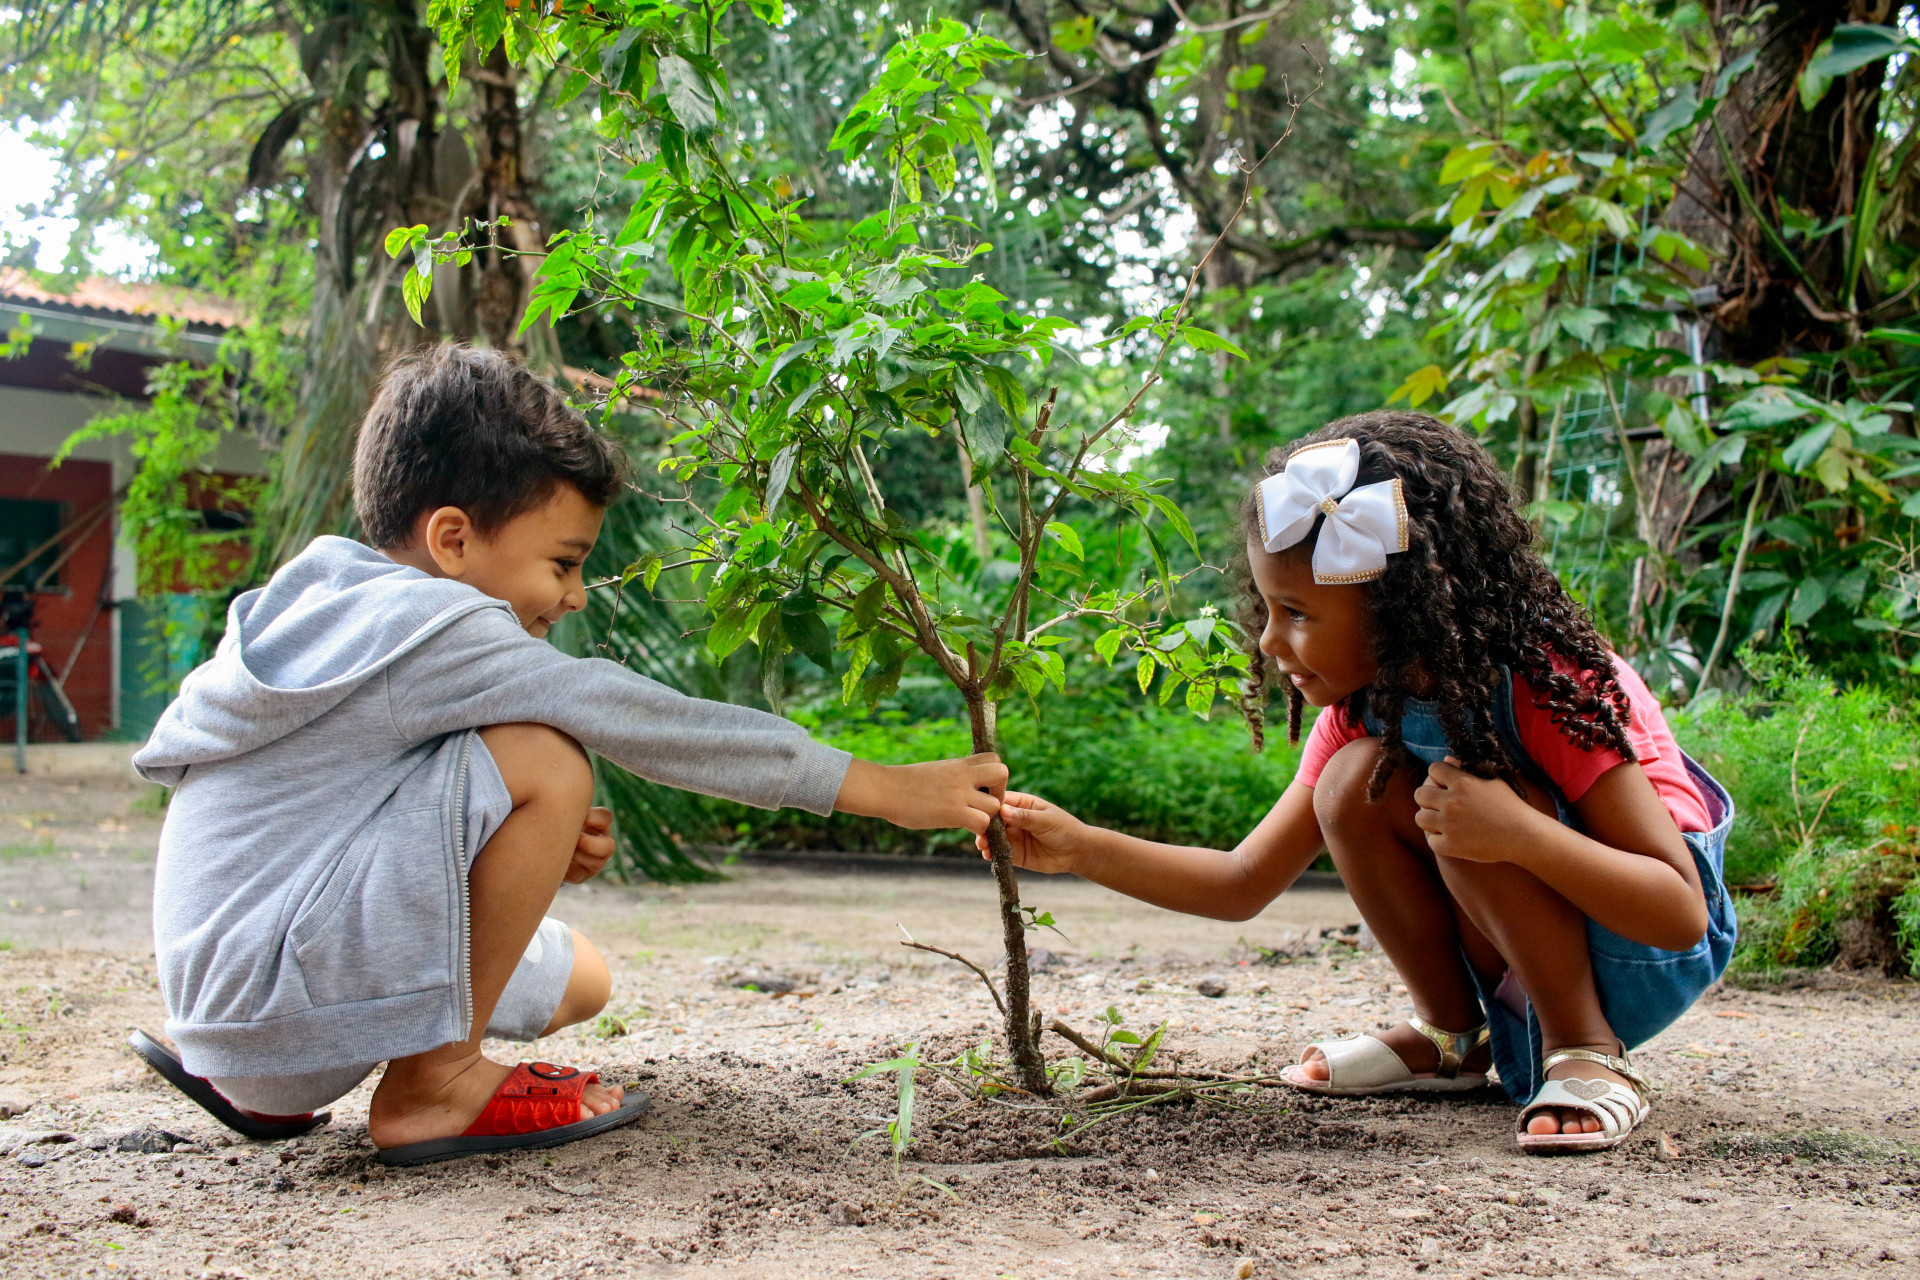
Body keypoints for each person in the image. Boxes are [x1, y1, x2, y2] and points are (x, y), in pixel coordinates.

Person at [131, 344, 1006, 1166]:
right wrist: (889, 788)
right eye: (563, 562)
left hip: (232, 1021)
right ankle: (434, 1086)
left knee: (583, 979)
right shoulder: (439, 620)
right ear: (453, 540)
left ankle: (297, 1087)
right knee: (550, 759)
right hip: (280, 1003)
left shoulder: (326, 601)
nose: (575, 595)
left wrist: (507, 841)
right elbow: (638, 718)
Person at [983, 411, 1735, 1153]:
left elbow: (1680, 915)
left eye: (1298, 612)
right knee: (1352, 784)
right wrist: (1079, 849)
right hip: (1523, 952)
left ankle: (1586, 1048)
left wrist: (1520, 832)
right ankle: (1454, 1037)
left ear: (1400, 609)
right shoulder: (1364, 710)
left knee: (1466, 796)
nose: (1270, 641)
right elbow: (1242, 881)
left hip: (1641, 950)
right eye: (1267, 608)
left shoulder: (1544, 680)